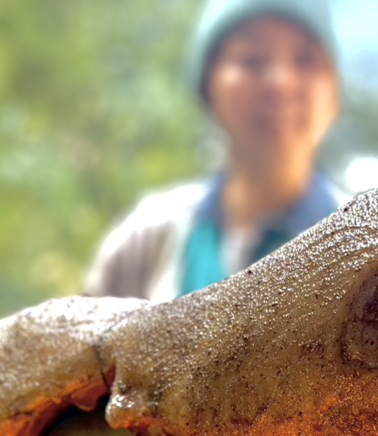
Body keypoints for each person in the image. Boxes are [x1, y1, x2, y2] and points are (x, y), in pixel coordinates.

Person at [86, 0, 344, 303]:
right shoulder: (144, 239)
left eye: (305, 60)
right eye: (251, 59)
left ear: (334, 95)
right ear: (208, 87)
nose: (280, 83)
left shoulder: (373, 249)